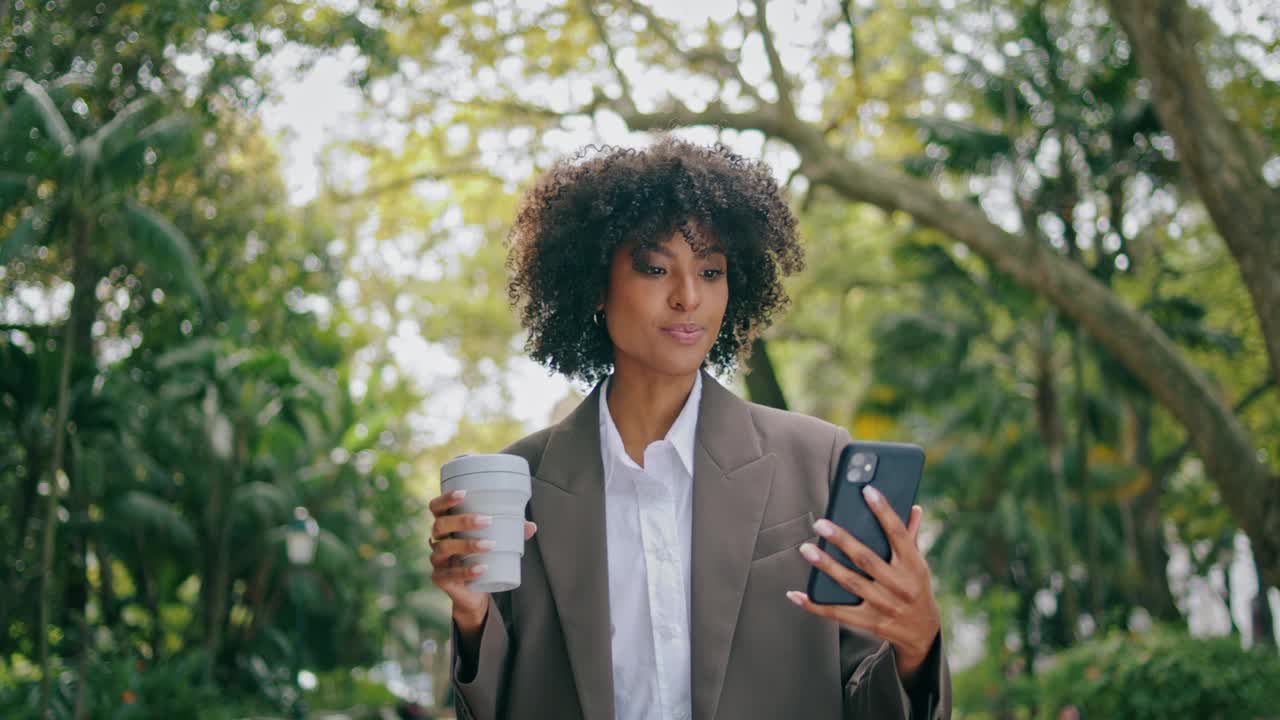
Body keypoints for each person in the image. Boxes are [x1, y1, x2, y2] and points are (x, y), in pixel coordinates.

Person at [428, 136, 950, 720]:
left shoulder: (817, 458)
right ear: (596, 285)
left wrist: (916, 646)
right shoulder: (521, 484)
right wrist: (472, 618)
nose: (688, 297)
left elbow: (867, 697)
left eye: (711, 270)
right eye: (654, 268)